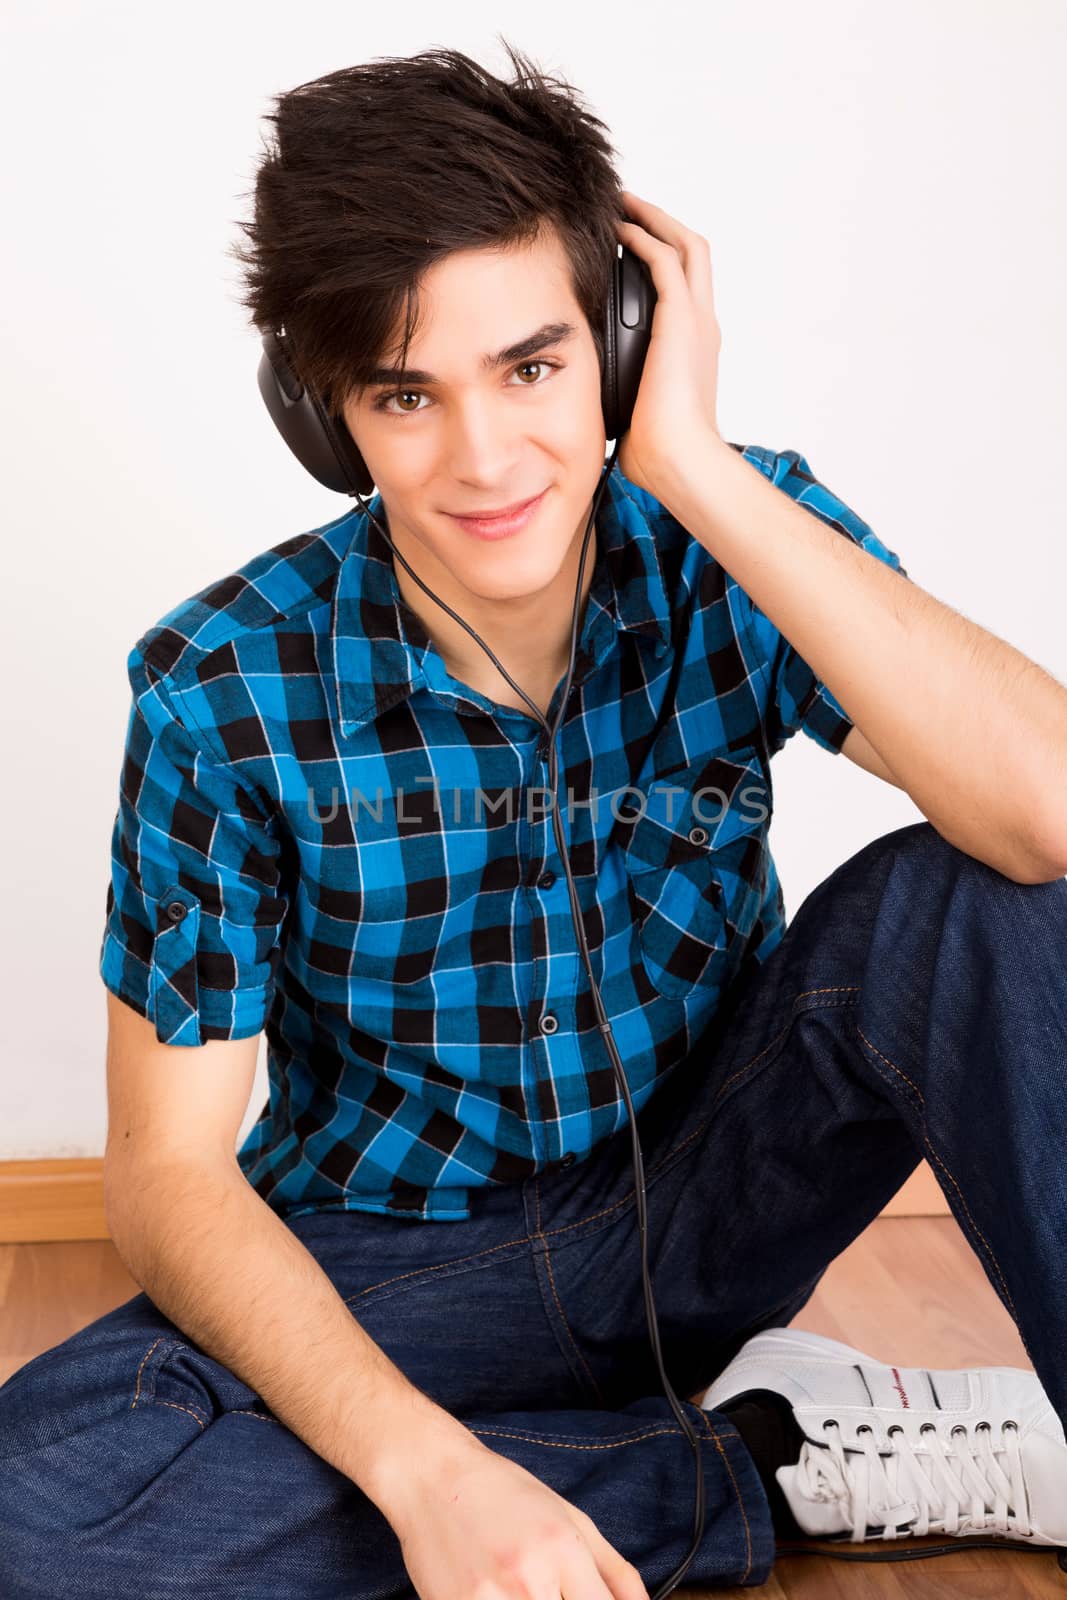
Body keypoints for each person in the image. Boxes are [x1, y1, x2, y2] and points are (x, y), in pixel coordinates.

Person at [3, 38, 1067, 1599]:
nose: (487, 459)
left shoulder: (729, 533)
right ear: (326, 414)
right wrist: (421, 1469)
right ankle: (778, 1462)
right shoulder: (216, 691)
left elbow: (1045, 815)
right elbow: (166, 1174)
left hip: (717, 1191)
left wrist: (691, 464)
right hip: (410, 1263)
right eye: (406, 395)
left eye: (534, 367)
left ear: (624, 343)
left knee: (982, 896)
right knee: (36, 1505)